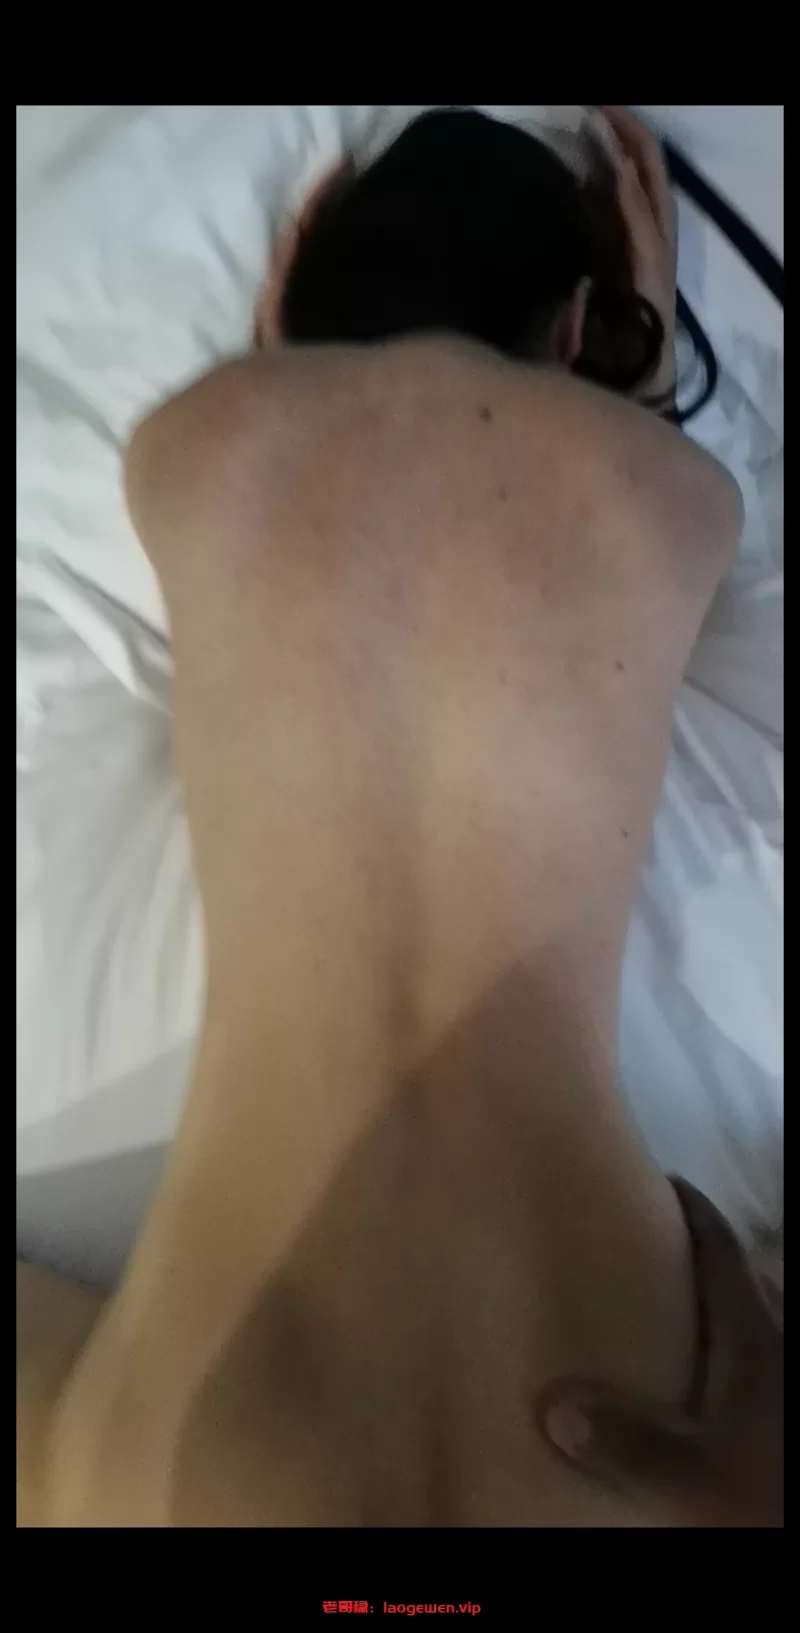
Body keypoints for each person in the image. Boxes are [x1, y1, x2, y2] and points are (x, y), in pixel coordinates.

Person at [17, 106, 782, 1528]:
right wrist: (641, 359)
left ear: (284, 296)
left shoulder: (188, 449)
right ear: (577, 328)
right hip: (409, 1443)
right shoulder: (676, 495)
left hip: (287, 1441)